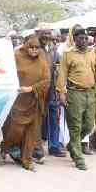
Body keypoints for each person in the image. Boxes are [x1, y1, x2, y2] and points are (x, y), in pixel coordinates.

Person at [57, 28, 96, 170]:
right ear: (75, 39)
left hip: (90, 93)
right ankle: (78, 159)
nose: (84, 41)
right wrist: (61, 92)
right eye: (80, 38)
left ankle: (73, 144)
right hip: (74, 93)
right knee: (75, 126)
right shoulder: (68, 54)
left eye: (86, 38)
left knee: (89, 125)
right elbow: (62, 74)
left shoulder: (93, 52)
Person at [0, 37, 50, 172]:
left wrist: (32, 88)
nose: (34, 50)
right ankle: (5, 147)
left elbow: (46, 80)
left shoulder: (42, 60)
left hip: (35, 100)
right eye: (31, 47)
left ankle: (26, 160)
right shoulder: (17, 56)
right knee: (16, 131)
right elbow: (7, 73)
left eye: (37, 48)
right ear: (26, 47)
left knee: (31, 133)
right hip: (18, 101)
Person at [35, 23, 64, 159]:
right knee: (37, 120)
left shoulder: (52, 49)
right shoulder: (33, 48)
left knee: (54, 118)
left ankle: (54, 147)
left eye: (48, 33)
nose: (46, 36)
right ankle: (36, 148)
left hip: (52, 90)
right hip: (38, 90)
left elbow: (59, 65)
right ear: (37, 33)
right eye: (44, 33)